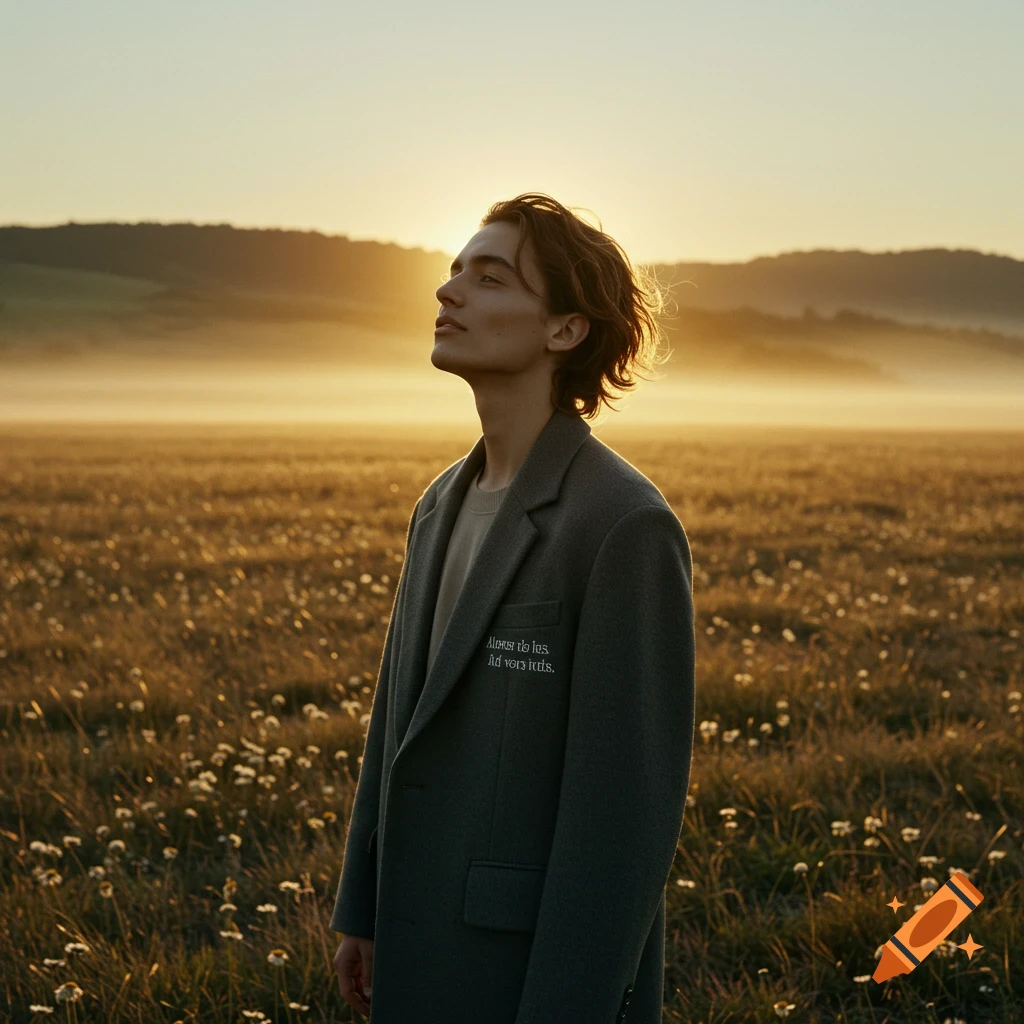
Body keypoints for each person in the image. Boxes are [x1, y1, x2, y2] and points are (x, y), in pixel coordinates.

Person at [331, 192, 696, 1023]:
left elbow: (624, 821)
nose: (448, 291)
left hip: (524, 967)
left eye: (489, 278)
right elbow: (397, 724)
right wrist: (363, 908)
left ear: (565, 329)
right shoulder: (438, 504)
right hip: (415, 943)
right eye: (454, 270)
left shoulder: (623, 524)